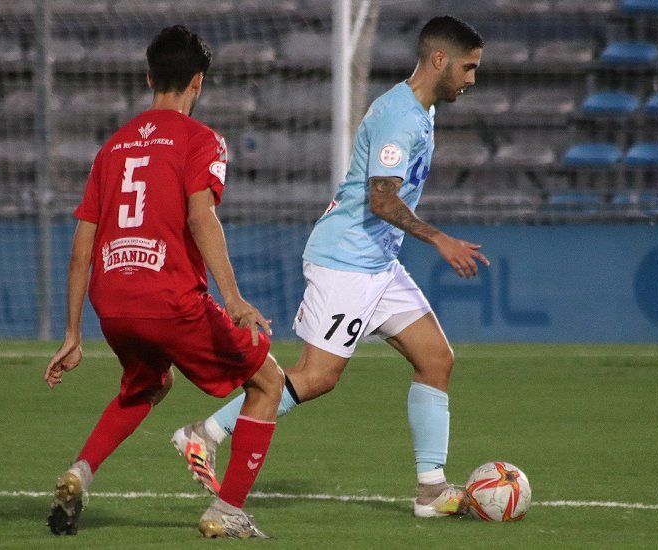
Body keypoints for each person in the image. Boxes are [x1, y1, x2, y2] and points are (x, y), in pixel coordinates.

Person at [172, 15, 487, 518]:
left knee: (436, 360)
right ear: (439, 60)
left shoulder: (423, 112)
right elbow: (381, 199)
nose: (472, 80)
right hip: (345, 262)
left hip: (379, 262)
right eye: (469, 68)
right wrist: (440, 239)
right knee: (317, 377)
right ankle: (204, 433)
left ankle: (431, 490)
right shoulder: (398, 116)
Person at [43, 25, 283, 539]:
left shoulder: (111, 148)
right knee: (268, 382)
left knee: (148, 383)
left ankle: (79, 472)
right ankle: (228, 510)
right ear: (198, 82)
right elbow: (202, 218)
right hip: (170, 298)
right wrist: (234, 299)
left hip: (113, 302)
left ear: (150, 76)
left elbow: (80, 251)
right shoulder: (202, 140)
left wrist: (72, 334)